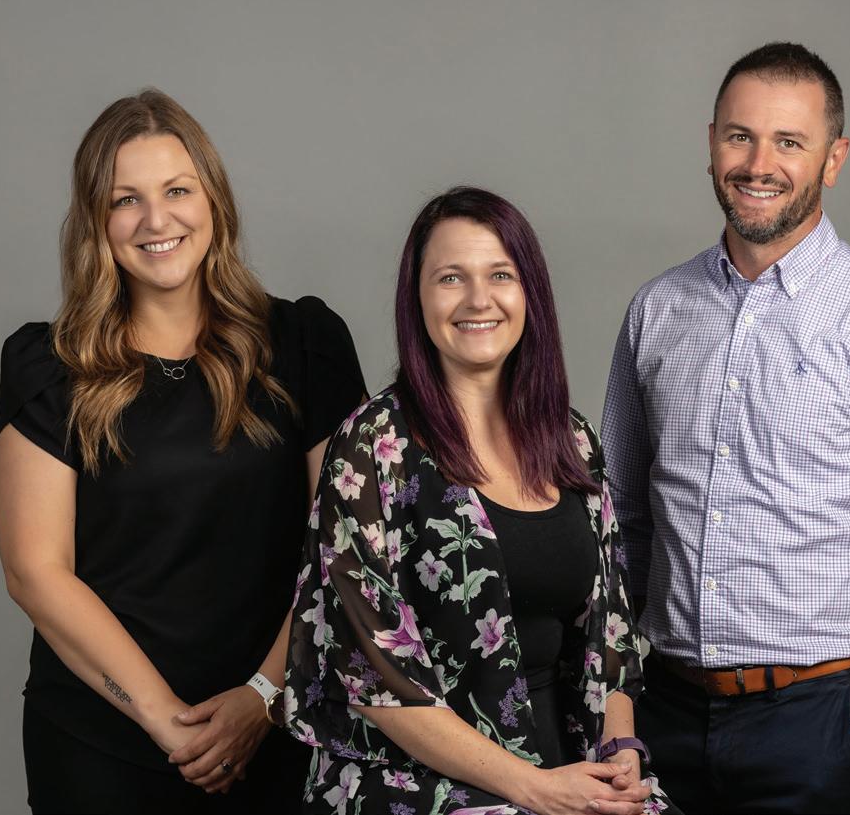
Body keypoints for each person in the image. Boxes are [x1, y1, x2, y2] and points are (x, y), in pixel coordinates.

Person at [601, 43, 850, 814]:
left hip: (817, 724)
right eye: (739, 136)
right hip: (663, 715)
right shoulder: (656, 311)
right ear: (711, 142)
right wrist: (617, 703)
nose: (757, 164)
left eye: (788, 142)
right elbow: (621, 521)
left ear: (832, 158)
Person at [0, 89, 366, 814]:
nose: (156, 220)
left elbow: (345, 545)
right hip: (103, 745)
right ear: (95, 221)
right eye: (125, 199)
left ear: (213, 200)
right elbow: (35, 571)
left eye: (177, 190)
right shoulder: (49, 368)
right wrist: (169, 724)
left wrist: (264, 696)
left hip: (285, 729)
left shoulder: (304, 345)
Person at [284, 187, 674, 814]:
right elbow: (370, 674)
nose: (477, 299)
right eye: (450, 278)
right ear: (416, 298)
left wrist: (620, 751)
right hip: (419, 781)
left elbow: (612, 638)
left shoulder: (571, 441)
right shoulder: (372, 446)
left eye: (500, 275)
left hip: (568, 762)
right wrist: (536, 790)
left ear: (529, 293)